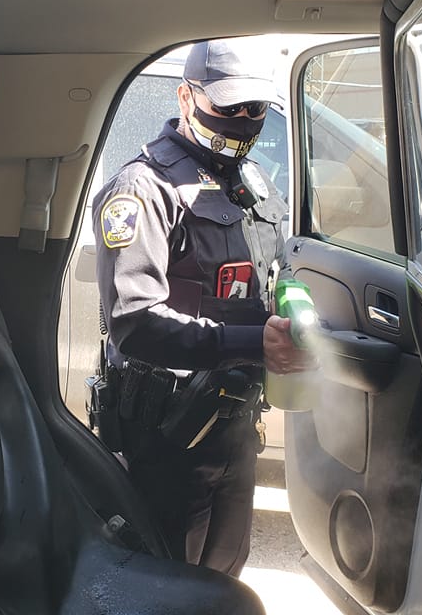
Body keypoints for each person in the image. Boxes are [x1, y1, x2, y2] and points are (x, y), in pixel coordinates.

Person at [92, 39, 316, 577]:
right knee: (167, 581)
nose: (242, 120)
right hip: (168, 432)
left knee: (223, 574)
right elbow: (134, 322)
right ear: (187, 98)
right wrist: (249, 344)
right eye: (227, 106)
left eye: (254, 109)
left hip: (234, 424)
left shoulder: (250, 183)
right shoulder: (144, 188)